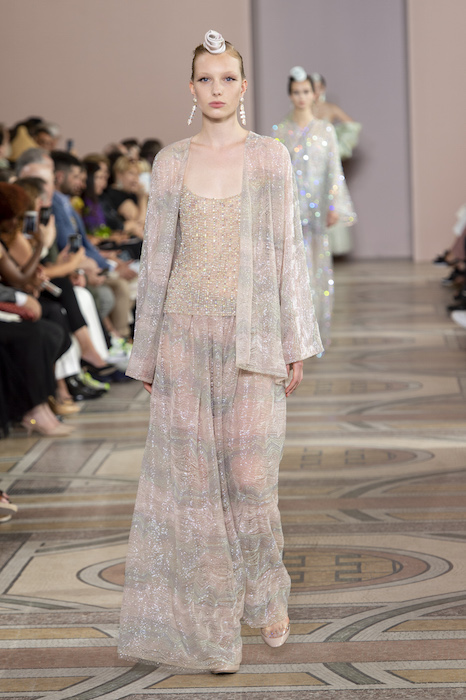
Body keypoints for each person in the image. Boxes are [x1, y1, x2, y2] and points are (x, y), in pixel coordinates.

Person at [118, 30, 323, 674]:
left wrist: (294, 339)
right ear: (192, 88)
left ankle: (266, 589)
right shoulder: (170, 162)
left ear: (243, 86)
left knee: (251, 477)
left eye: (227, 78)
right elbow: (156, 259)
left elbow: (288, 251)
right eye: (205, 79)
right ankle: (215, 625)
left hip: (253, 335)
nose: (216, 89)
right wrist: (146, 351)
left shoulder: (270, 158)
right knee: (196, 488)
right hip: (182, 337)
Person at [272, 66, 356, 347]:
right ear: (290, 95)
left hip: (318, 209)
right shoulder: (281, 131)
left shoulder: (325, 129)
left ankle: (316, 328)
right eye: (296, 92)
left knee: (318, 267)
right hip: (291, 209)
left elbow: (334, 169)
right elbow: (276, 174)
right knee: (291, 268)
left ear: (314, 94)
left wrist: (334, 205)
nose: (301, 97)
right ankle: (293, 329)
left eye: (306, 91)